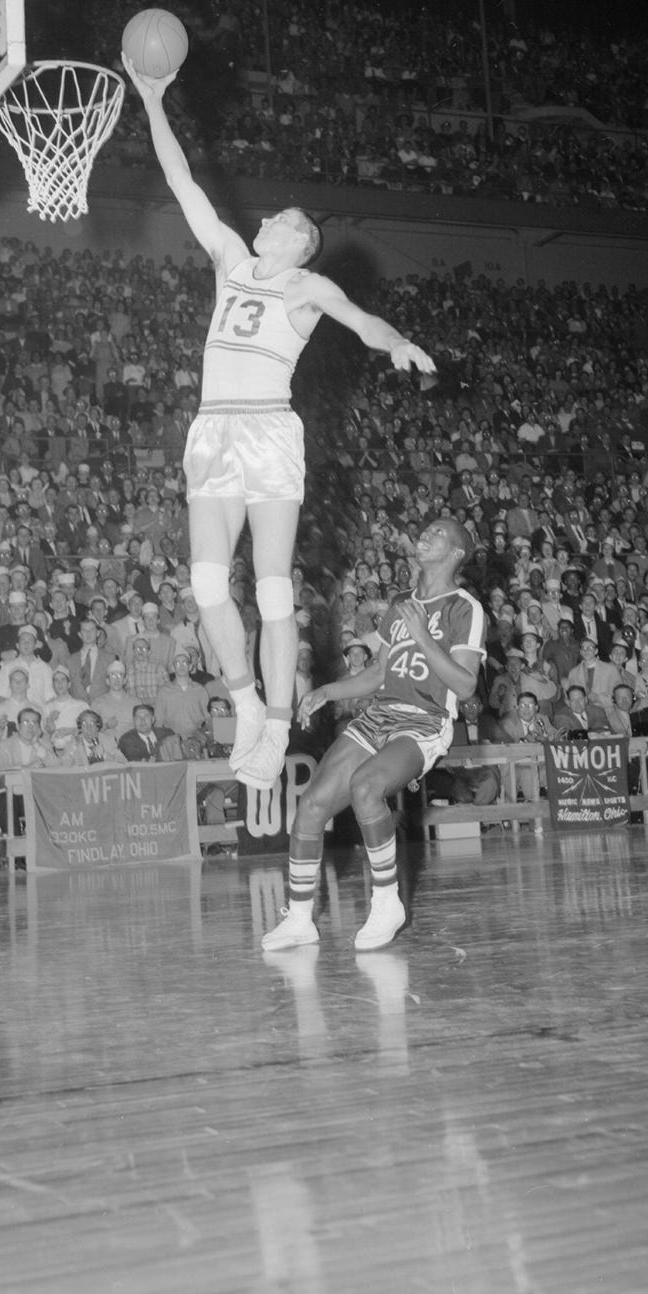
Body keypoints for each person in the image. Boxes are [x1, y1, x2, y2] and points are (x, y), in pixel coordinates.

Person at [125, 53, 436, 786]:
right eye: (273, 216)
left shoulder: (307, 285)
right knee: (205, 583)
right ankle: (242, 703)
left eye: (287, 220)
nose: (269, 218)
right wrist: (151, 101)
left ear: (300, 242)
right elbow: (182, 184)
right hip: (213, 428)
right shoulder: (230, 258)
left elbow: (360, 319)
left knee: (269, 587)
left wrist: (395, 342)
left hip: (266, 429)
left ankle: (273, 721)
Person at [260, 517, 484, 954]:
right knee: (311, 805)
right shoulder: (401, 601)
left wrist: (423, 635)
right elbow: (379, 672)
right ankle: (300, 918)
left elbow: (467, 686)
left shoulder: (465, 608)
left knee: (367, 787)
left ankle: (387, 902)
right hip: (378, 716)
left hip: (424, 721)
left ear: (457, 552)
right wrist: (327, 690)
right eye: (425, 528)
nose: (425, 534)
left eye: (438, 532)